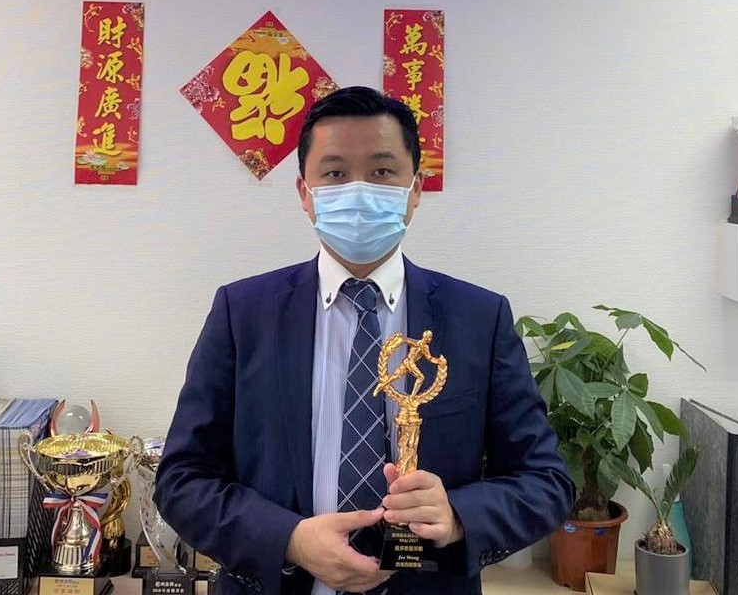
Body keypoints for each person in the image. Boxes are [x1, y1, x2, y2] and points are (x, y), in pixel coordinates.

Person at [154, 86, 573, 595]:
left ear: (415, 189)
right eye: (334, 174)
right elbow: (182, 479)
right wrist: (288, 540)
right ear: (305, 194)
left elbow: (545, 481)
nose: (358, 191)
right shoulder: (242, 313)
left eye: (381, 171)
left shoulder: (479, 318)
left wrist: (458, 516)